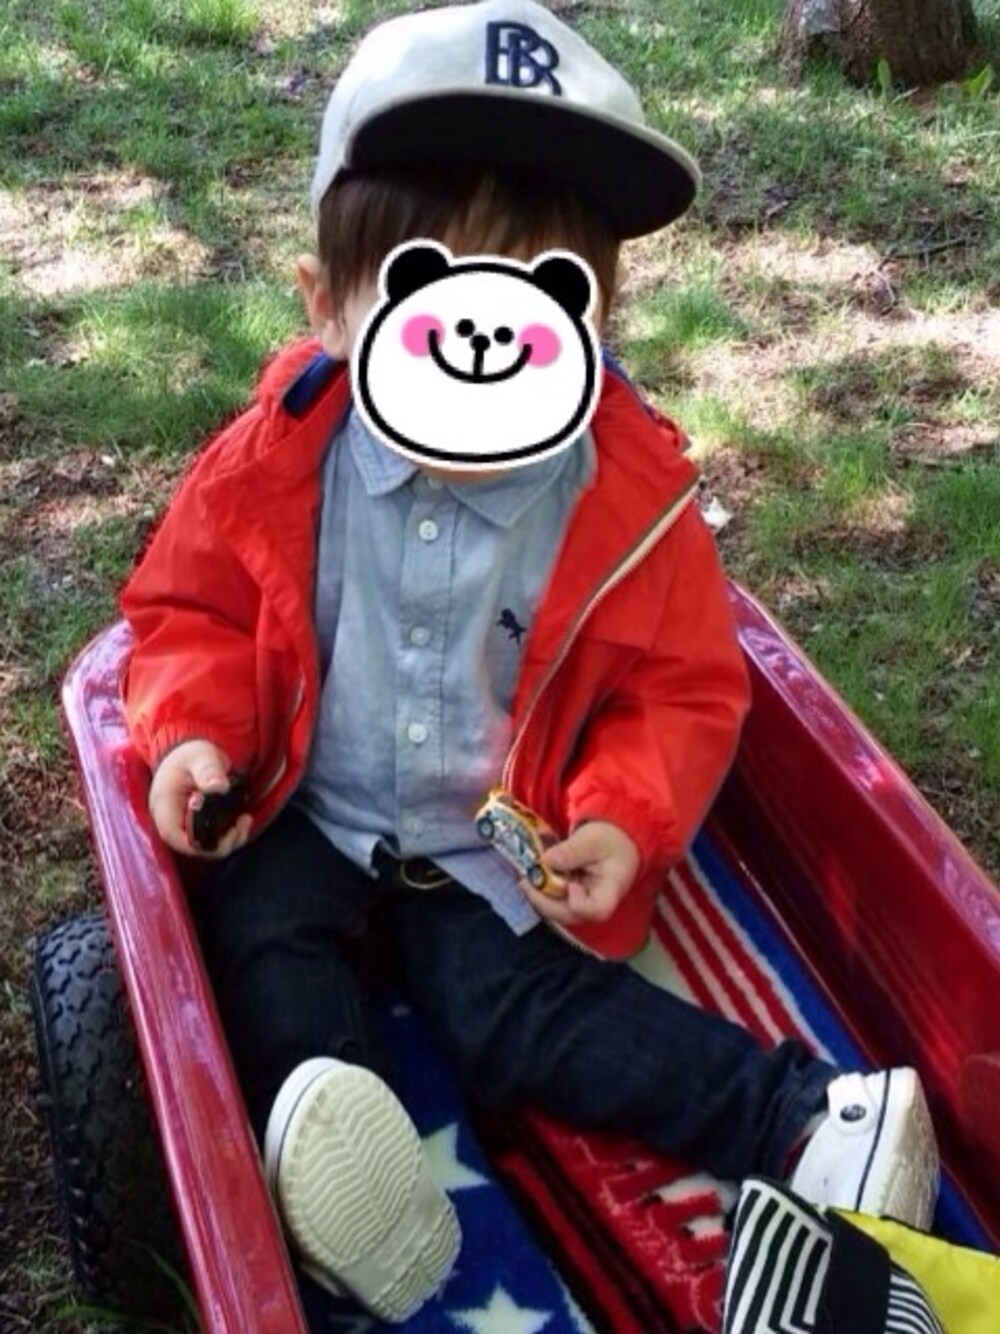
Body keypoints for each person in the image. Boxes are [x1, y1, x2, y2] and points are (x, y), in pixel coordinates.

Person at [119, 0, 940, 1323]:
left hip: (486, 850)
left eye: (542, 311)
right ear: (329, 309)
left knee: (519, 1016)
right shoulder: (276, 462)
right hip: (305, 806)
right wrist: (200, 735)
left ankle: (805, 1117)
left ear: (593, 324)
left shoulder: (623, 504)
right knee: (268, 950)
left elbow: (679, 687)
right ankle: (350, 1178)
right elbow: (188, 612)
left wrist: (620, 814)